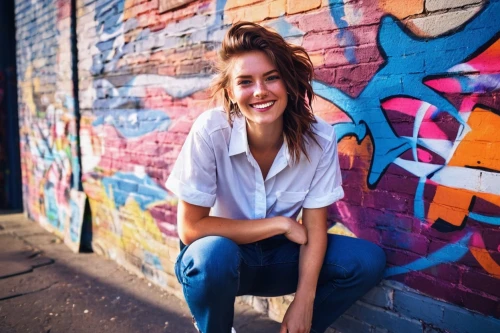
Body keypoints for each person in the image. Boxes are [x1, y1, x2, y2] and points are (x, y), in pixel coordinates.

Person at [165, 21, 386, 333]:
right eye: (245, 82)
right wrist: (280, 224)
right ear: (231, 92)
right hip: (225, 261)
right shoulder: (211, 131)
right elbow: (190, 229)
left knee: (366, 261)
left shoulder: (319, 139)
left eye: (271, 77)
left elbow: (313, 228)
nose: (260, 91)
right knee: (212, 256)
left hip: (280, 259)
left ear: (288, 82)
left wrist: (304, 301)